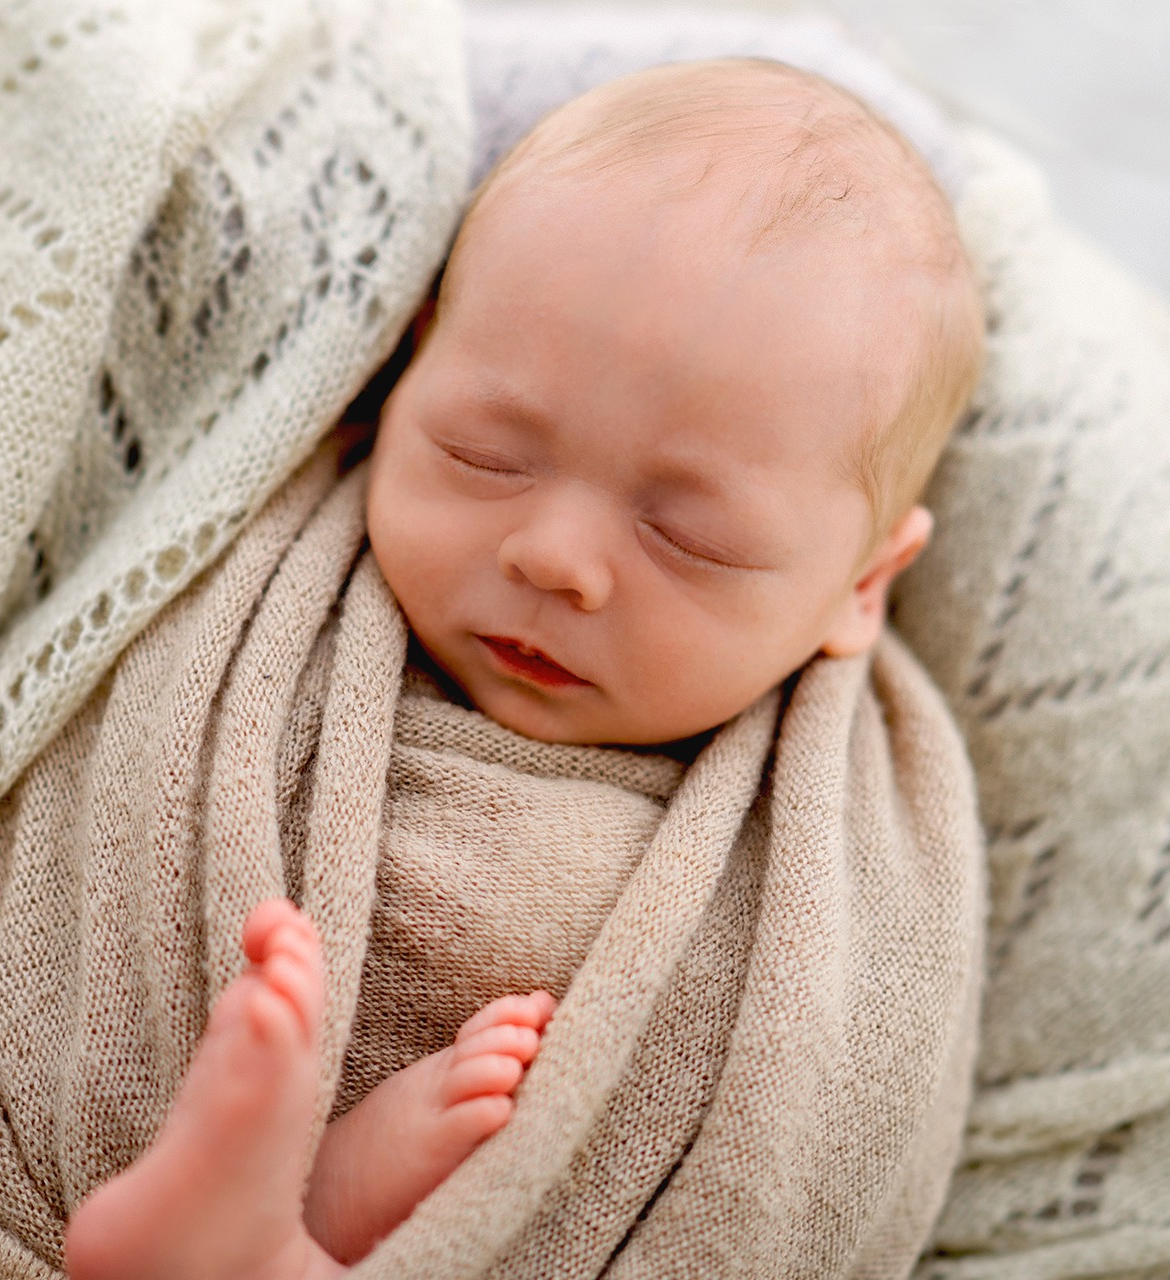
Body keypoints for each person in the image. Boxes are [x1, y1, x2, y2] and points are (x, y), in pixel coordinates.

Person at [63, 54, 985, 1280]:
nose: (554, 557)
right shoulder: (262, 595)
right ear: (408, 366)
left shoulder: (859, 866)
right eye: (486, 451)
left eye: (688, 536)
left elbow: (838, 1139)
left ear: (862, 584)